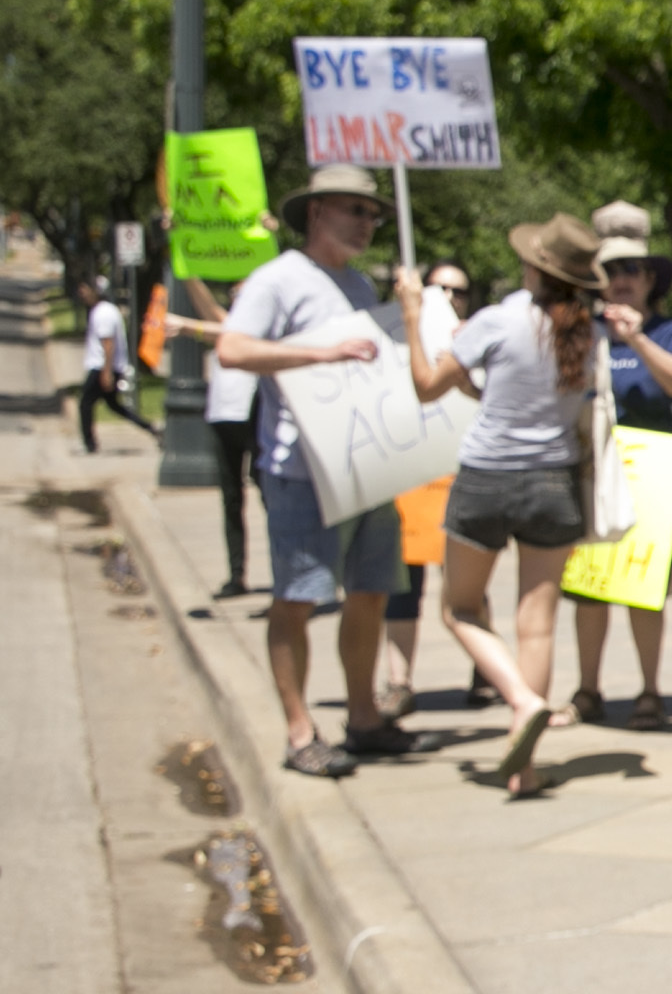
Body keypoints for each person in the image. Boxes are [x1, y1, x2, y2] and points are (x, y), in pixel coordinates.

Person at [213, 164, 414, 778]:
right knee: (298, 599)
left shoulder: (357, 285)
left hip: (366, 466)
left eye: (372, 214)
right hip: (302, 470)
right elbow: (233, 348)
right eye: (354, 210)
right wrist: (320, 352)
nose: (366, 223)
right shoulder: (278, 281)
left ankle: (363, 716)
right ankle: (300, 731)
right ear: (317, 211)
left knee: (372, 591)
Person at [408, 214, 617, 798]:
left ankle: (522, 702)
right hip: (552, 484)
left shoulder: (497, 320)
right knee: (537, 626)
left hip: (487, 480)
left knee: (460, 610)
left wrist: (408, 313)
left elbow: (429, 385)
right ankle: (523, 769)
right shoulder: (586, 334)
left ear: (535, 265)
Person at [568, 209, 672, 731]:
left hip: (650, 468)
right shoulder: (582, 330)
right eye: (612, 270)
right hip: (594, 468)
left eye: (632, 269)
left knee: (643, 589)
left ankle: (650, 690)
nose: (621, 280)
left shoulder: (668, 331)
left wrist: (638, 339)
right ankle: (588, 690)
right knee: (590, 587)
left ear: (650, 280)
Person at [379, 259, 476, 719]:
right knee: (403, 583)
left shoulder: (476, 341)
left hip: (462, 475)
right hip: (410, 473)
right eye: (438, 288)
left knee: (465, 584)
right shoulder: (396, 339)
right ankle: (398, 681)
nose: (447, 299)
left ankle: (484, 669)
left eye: (457, 291)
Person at [189, 276, 259, 598]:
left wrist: (188, 327)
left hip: (254, 418)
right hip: (222, 417)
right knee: (231, 500)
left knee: (271, 498)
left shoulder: (260, 327)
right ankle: (236, 575)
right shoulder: (226, 321)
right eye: (235, 292)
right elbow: (205, 304)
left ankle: (287, 578)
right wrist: (185, 265)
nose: (237, 296)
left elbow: (228, 334)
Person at [76, 274, 158, 451]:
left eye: (85, 289)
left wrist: (106, 373)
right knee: (115, 406)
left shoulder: (103, 313)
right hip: (107, 366)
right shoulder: (104, 310)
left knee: (85, 403)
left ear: (95, 291)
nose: (82, 293)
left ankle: (89, 444)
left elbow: (108, 344)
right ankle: (150, 428)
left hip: (103, 366)